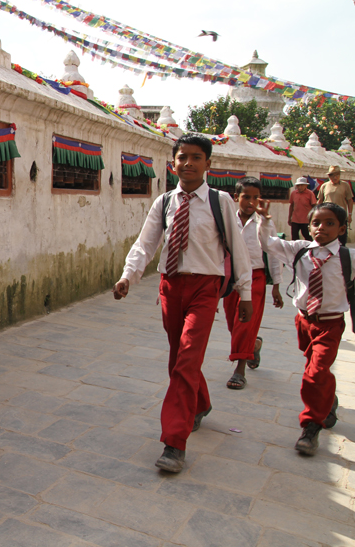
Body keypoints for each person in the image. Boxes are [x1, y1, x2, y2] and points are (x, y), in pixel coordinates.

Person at [112, 135, 253, 473]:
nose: (188, 163)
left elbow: (239, 248)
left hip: (205, 288)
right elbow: (146, 243)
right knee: (179, 356)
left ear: (208, 163)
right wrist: (128, 276)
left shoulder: (220, 202)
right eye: (182, 157)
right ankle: (200, 403)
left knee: (187, 358)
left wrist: (245, 293)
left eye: (196, 157)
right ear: (172, 163)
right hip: (171, 287)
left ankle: (174, 441)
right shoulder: (164, 202)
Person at [256, 201, 347, 455]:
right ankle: (328, 401)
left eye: (330, 224)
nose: (321, 228)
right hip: (304, 321)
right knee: (316, 367)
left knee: (315, 372)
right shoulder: (300, 251)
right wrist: (264, 220)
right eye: (316, 223)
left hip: (330, 322)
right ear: (308, 227)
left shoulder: (347, 258)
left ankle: (310, 427)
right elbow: (269, 244)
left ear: (341, 229)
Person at [224, 177, 284, 390]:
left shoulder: (264, 221)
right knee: (233, 323)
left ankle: (239, 370)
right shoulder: (227, 218)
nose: (250, 202)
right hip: (231, 278)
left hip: (255, 276)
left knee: (245, 322)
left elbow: (274, 251)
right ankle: (254, 344)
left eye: (255, 197)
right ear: (235, 198)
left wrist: (276, 283)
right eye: (245, 197)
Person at [316, 166, 352, 245]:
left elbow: (350, 200)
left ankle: (341, 254)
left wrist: (350, 214)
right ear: (329, 176)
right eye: (333, 175)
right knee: (328, 236)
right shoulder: (324, 186)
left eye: (337, 175)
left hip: (341, 215)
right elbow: (320, 201)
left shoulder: (345, 185)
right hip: (327, 216)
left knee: (342, 237)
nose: (335, 177)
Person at [288, 176, 316, 241]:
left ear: (306, 186)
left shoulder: (310, 193)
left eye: (302, 185)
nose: (300, 187)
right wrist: (290, 218)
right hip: (295, 219)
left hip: (306, 220)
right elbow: (291, 206)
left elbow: (314, 206)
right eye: (298, 185)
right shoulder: (293, 193)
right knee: (294, 237)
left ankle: (309, 250)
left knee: (307, 236)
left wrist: (313, 219)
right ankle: (295, 250)